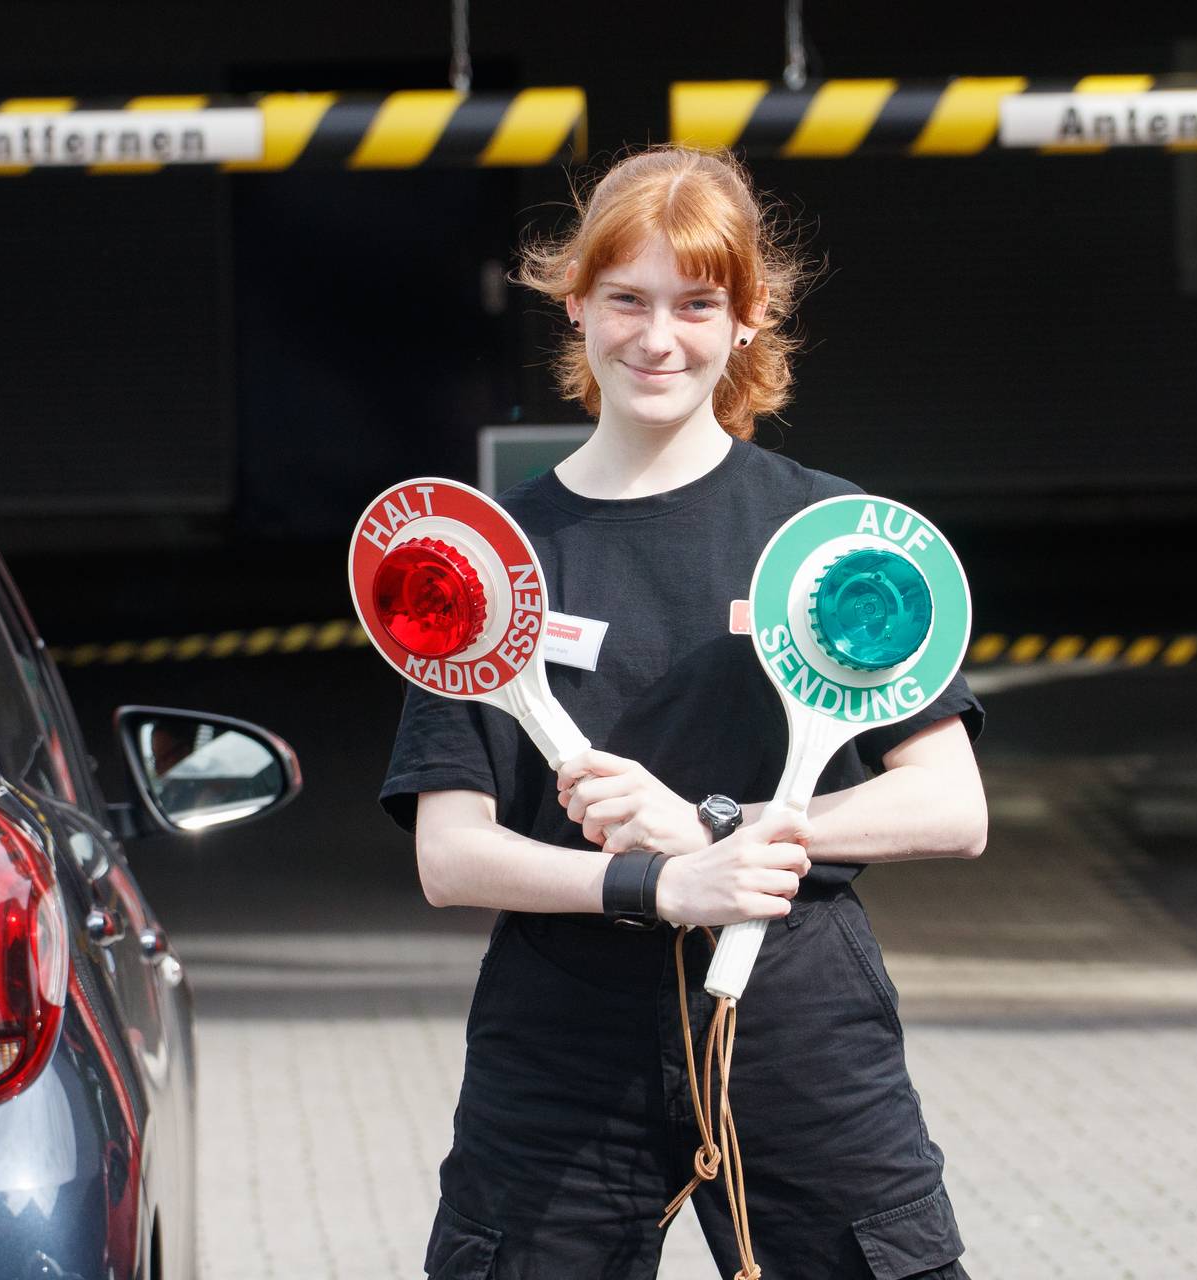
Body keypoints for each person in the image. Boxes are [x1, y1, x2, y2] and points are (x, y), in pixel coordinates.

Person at [381, 146, 988, 1280]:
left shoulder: (829, 537)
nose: (658, 338)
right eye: (627, 299)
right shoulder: (484, 561)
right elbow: (450, 856)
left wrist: (717, 828)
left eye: (698, 303)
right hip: (562, 1038)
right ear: (575, 305)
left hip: (795, 1020)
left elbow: (952, 806)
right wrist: (660, 885)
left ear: (749, 318)